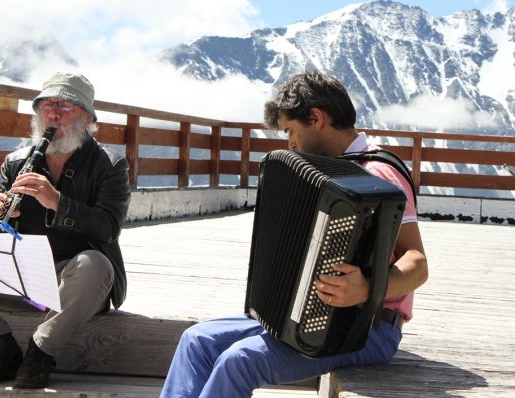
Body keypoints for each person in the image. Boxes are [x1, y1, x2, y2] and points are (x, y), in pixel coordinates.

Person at [159, 71, 428, 397]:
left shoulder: (377, 172)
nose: (290, 143)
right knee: (197, 340)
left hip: (368, 328)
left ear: (316, 118)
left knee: (238, 361)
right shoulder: (330, 169)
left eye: (290, 130)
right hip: (316, 317)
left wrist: (367, 288)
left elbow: (417, 262)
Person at [0, 72, 131, 389]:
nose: (53, 114)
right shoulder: (17, 162)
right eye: (47, 106)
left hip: (73, 280)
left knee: (95, 265)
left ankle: (41, 352)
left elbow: (109, 228)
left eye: (65, 107)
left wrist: (58, 202)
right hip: (21, 274)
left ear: (87, 119)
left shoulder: (109, 165)